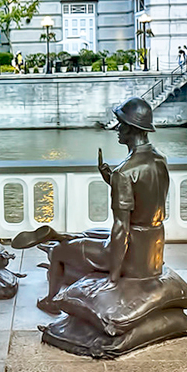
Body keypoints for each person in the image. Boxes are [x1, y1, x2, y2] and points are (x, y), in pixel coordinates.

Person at [22, 97, 169, 315]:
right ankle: (65, 239)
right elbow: (145, 198)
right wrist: (111, 179)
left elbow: (121, 229)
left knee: (60, 251)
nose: (117, 128)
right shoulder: (159, 160)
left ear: (131, 128)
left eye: (120, 123)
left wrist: (113, 277)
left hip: (133, 257)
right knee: (90, 232)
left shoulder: (125, 171)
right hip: (152, 250)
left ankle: (52, 298)